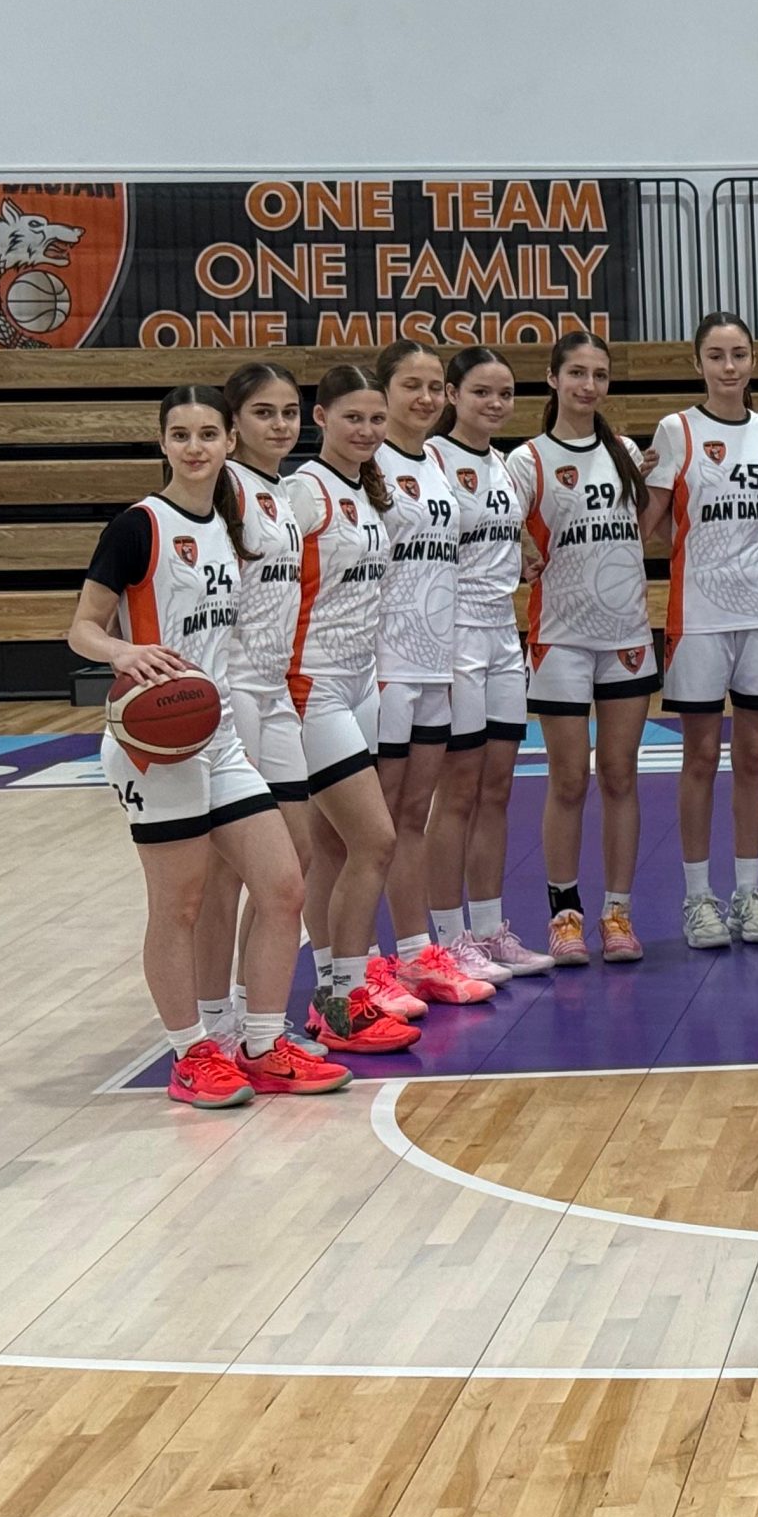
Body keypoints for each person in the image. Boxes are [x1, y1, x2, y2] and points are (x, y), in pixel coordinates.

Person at [71, 388, 349, 1105]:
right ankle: (192, 1053)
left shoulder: (229, 526)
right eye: (179, 434)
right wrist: (122, 652)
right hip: (154, 746)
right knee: (180, 904)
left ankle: (261, 1044)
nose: (193, 447)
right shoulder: (138, 526)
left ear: (228, 441)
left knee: (283, 886)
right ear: (162, 443)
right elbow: (83, 628)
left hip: (219, 736)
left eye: (206, 434)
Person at [188, 363, 348, 1065]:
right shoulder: (220, 489)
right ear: (233, 423)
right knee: (227, 870)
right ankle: (215, 1022)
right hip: (229, 696)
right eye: (263, 412)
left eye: (289, 412)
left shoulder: (286, 496)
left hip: (276, 692)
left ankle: (255, 1012)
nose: (280, 424)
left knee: (295, 856)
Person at [284, 366, 422, 1051]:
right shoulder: (302, 492)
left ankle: (332, 992)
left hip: (359, 682)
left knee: (334, 846)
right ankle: (344, 995)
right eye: (352, 418)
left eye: (375, 419)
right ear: (321, 417)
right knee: (377, 840)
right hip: (311, 685)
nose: (367, 430)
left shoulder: (369, 489)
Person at [644, 311, 758, 952]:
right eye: (716, 355)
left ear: (754, 361)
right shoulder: (676, 430)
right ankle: (698, 897)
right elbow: (649, 523)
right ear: (697, 362)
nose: (729, 367)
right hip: (698, 616)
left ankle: (749, 891)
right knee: (700, 757)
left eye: (739, 355)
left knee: (753, 756)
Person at [511, 331, 655, 966]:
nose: (588, 384)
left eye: (598, 374)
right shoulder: (527, 461)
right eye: (576, 372)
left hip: (626, 635)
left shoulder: (626, 452)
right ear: (553, 378)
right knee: (569, 779)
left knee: (620, 774)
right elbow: (501, 531)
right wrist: (522, 549)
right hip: (561, 637)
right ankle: (563, 914)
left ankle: (617, 912)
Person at [370, 340, 494, 1010]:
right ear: (383, 392)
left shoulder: (440, 466)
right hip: (383, 666)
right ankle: (361, 966)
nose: (423, 397)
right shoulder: (368, 465)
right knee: (374, 827)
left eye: (432, 386)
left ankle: (417, 955)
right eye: (409, 385)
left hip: (435, 659)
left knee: (414, 813)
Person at [425, 347, 552, 981]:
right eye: (481, 392)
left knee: (497, 788)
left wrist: (523, 550)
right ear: (452, 395)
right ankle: (448, 939)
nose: (496, 403)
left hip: (503, 634)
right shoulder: (430, 460)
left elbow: (501, 534)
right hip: (453, 637)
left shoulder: (502, 464)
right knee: (457, 791)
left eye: (505, 393)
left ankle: (489, 929)